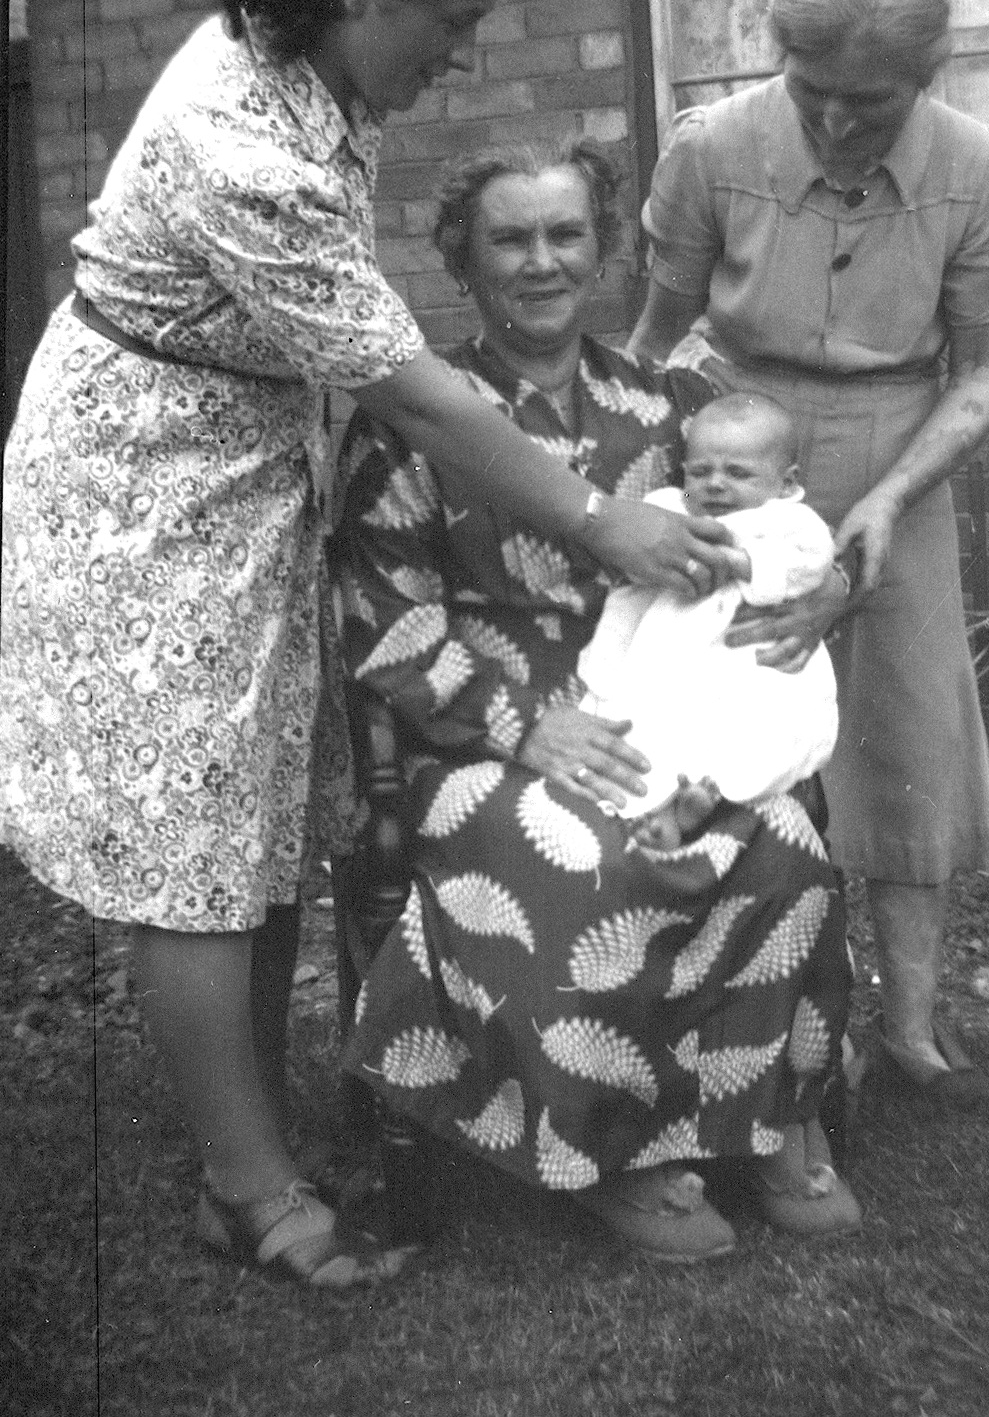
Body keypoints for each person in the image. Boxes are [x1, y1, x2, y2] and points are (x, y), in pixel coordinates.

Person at [0, 0, 740, 1292]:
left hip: (241, 461)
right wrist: (599, 520)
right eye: (450, 21)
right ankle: (247, 1190)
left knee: (263, 818)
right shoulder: (244, 141)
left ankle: (252, 1144)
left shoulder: (318, 74)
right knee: (192, 846)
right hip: (139, 492)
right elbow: (417, 396)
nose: (460, 55)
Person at [331, 139, 861, 1260]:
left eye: (565, 234)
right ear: (463, 262)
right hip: (481, 736)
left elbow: (779, 525)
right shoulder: (417, 418)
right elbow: (387, 628)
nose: (542, 262)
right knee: (588, 854)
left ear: (605, 249)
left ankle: (766, 1113)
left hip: (672, 715)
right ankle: (616, 1148)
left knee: (776, 836)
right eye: (510, 240)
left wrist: (829, 590)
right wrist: (529, 727)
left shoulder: (675, 405)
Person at [628, 0, 989, 1108]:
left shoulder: (979, 169)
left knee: (907, 741)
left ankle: (906, 1030)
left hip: (900, 446)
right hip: (730, 445)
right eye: (814, 93)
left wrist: (890, 500)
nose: (840, 122)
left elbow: (982, 372)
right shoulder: (711, 148)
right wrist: (649, 482)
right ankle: (727, 1013)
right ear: (779, 57)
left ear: (928, 75)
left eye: (873, 100)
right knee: (716, 705)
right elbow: (654, 334)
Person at [578, 390, 840, 851]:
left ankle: (712, 794)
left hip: (748, 655)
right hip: (673, 642)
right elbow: (634, 556)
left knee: (765, 728)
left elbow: (812, 560)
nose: (715, 485)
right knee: (650, 721)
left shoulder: (789, 520)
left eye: (737, 473)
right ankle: (660, 810)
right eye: (700, 472)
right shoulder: (667, 509)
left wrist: (746, 564)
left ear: (785, 483)